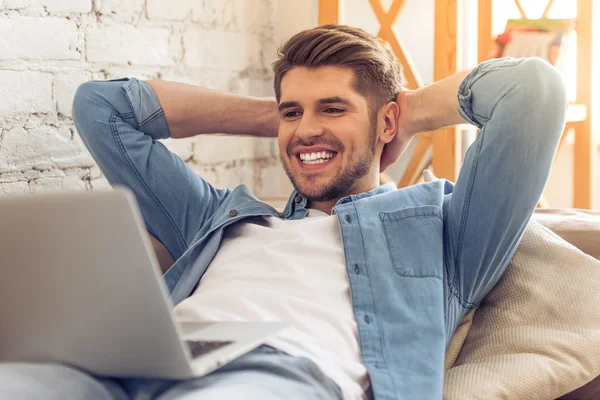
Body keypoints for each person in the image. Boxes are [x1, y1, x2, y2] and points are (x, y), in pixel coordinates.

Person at [0, 24, 567, 399]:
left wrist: (405, 112)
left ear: (385, 122)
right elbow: (101, 108)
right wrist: (278, 117)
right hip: (129, 365)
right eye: (292, 111)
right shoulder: (217, 216)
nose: (306, 129)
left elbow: (531, 92)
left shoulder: (438, 230)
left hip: (271, 376)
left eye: (334, 108)